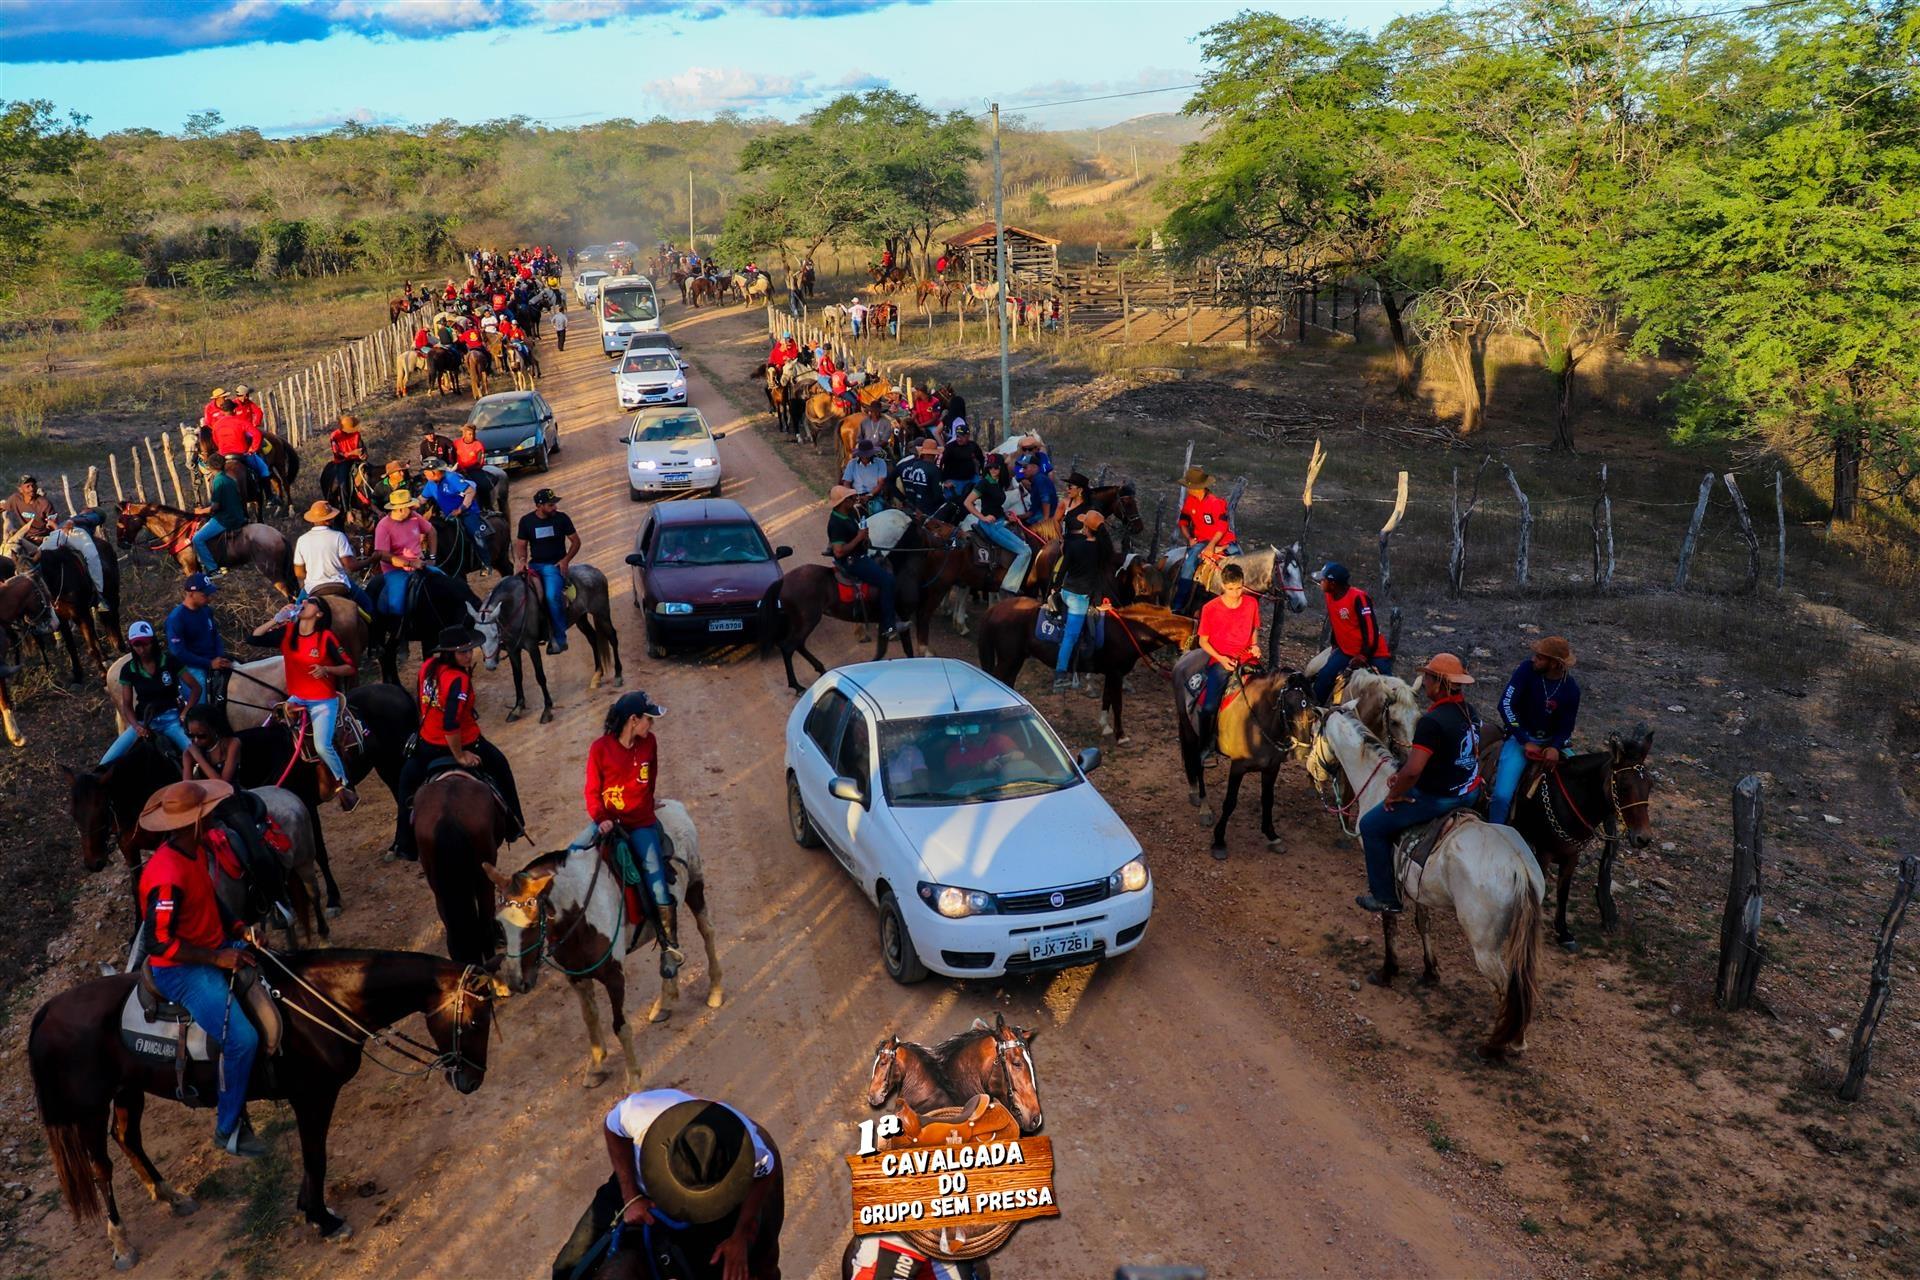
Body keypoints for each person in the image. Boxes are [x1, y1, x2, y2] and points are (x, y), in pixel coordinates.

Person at [135, 779, 267, 1158]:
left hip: (214, 944)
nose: (212, 818)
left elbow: (210, 900)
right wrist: (216, 958)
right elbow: (158, 942)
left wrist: (239, 930)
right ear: (193, 823)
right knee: (242, 1040)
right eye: (206, 814)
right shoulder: (166, 875)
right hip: (181, 969)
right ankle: (228, 1128)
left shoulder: (194, 851)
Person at [551, 1090, 782, 1280]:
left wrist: (740, 1235)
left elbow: (766, 1172)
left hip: (706, 1210)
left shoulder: (747, 1145)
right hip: (639, 1189)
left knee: (736, 1269)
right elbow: (612, 1129)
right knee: (563, 1271)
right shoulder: (642, 1113)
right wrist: (631, 1197)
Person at [1354, 654, 1482, 912]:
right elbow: (1444, 755)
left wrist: (1394, 793)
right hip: (1470, 791)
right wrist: (1403, 772)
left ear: (1440, 683)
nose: (1424, 684)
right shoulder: (1469, 711)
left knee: (1370, 826)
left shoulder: (1432, 721)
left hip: (1439, 798)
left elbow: (1413, 771)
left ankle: (1385, 897)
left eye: (1428, 678)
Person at [391, 626, 523, 860]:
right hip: (464, 742)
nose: (468, 655)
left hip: (426, 746)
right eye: (462, 652)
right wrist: (460, 755)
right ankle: (514, 824)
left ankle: (405, 844)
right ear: (449, 653)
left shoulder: (426, 668)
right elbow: (451, 724)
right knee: (500, 766)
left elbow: (421, 703)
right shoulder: (459, 680)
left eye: (469, 650)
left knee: (405, 783)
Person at [585, 691, 681, 961]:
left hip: (641, 824)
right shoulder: (599, 749)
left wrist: (648, 803)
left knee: (657, 882)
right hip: (607, 823)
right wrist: (601, 818)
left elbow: (651, 780)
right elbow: (592, 792)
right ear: (633, 720)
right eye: (648, 719)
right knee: (573, 855)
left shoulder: (650, 743)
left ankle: (670, 945)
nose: (652, 724)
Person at [253, 598, 358, 810]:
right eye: (304, 600)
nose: (303, 603)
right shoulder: (288, 632)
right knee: (267, 727)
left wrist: (327, 670)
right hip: (297, 697)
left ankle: (344, 783)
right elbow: (254, 638)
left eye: (310, 602)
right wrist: (276, 619)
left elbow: (350, 667)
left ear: (319, 614)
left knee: (322, 745)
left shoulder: (326, 637)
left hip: (322, 700)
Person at [1488, 636, 1582, 826]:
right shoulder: (1526, 670)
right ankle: (1494, 829)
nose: (1534, 659)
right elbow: (1505, 704)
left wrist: (1555, 746)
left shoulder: (1571, 689)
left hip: (1552, 742)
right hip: (1521, 737)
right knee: (1502, 796)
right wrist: (1524, 740)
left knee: (1579, 783)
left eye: (1540, 657)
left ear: (1554, 663)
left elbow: (1567, 725)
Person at [104, 621, 199, 763]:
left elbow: (196, 687)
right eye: (137, 645)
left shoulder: (169, 660)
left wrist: (185, 712)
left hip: (171, 720)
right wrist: (137, 727)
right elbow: (127, 706)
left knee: (196, 754)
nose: (142, 649)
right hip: (144, 721)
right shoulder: (128, 669)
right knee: (107, 760)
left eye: (145, 644)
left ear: (153, 642)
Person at [1194, 563, 1262, 760]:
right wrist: (1221, 659)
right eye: (1231, 589)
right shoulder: (1210, 608)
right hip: (1222, 660)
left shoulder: (1251, 603)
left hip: (1247, 658)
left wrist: (1255, 645)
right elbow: (1203, 641)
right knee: (1209, 706)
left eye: (1239, 588)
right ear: (1223, 586)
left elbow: (1254, 628)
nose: (1235, 593)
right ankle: (1205, 745)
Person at [828, 485, 904, 638]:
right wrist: (859, 538)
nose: (854, 500)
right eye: (851, 498)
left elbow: (858, 536)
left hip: (860, 554)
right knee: (887, 581)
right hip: (851, 561)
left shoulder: (850, 513)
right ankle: (888, 626)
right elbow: (839, 551)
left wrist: (865, 539)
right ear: (843, 502)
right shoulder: (835, 523)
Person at [1052, 490, 1110, 693]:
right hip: (1081, 598)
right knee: (1072, 635)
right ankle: (1060, 674)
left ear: (1086, 527)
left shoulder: (1074, 546)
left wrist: (1055, 587)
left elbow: (1063, 569)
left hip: (1067, 591)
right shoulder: (1101, 551)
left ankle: (1062, 674)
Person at [1312, 561, 1393, 705]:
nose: (1320, 583)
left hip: (1373, 652)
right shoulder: (1329, 596)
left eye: (1323, 580)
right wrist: (1335, 644)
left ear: (1333, 584)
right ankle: (1315, 709)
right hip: (1347, 651)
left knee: (1389, 687)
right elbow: (1337, 622)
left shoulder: (1358, 597)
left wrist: (1363, 655)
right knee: (1324, 676)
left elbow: (1370, 629)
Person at [516, 488, 579, 655]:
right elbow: (521, 544)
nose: (555, 508)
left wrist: (565, 560)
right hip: (534, 566)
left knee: (551, 596)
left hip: (554, 566)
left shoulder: (562, 518)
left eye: (555, 504)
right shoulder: (526, 521)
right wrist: (522, 561)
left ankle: (560, 638)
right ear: (539, 506)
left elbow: (576, 541)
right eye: (551, 505)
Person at [1171, 465, 1237, 613]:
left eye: (1188, 486)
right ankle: (1178, 604)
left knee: (1241, 564)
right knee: (1189, 565)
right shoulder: (1190, 501)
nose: (1187, 489)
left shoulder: (1216, 503)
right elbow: (1183, 522)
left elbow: (1222, 527)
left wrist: (1212, 546)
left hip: (1222, 540)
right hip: (1201, 540)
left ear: (1196, 488)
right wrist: (1189, 538)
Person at [965, 453, 1030, 595]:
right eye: (990, 467)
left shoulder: (998, 482)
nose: (993, 470)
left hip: (1001, 520)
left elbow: (994, 504)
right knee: (1025, 551)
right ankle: (1009, 586)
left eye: (996, 467)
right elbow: (968, 502)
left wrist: (1005, 514)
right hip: (992, 526)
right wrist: (982, 517)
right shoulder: (984, 483)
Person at [293, 501, 374, 616]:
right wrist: (371, 559)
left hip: (313, 588)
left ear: (313, 519)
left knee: (295, 614)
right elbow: (351, 566)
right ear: (329, 520)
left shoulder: (302, 540)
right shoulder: (339, 536)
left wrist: (315, 576)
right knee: (368, 606)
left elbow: (299, 573)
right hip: (340, 584)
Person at [373, 488, 436, 617]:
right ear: (401, 509)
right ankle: (397, 627)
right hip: (395, 570)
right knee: (397, 604)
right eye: (410, 507)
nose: (413, 508)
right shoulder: (383, 526)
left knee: (445, 581)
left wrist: (432, 557)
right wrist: (410, 564)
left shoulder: (414, 517)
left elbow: (432, 531)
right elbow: (383, 555)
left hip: (420, 564)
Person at [166, 573, 231, 698]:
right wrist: (209, 663)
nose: (209, 598)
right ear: (191, 594)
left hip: (214, 659)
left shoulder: (206, 610)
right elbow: (178, 653)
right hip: (193, 665)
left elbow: (215, 635)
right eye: (205, 595)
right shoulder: (176, 618)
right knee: (200, 695)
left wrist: (220, 656)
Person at [190, 461, 248, 578]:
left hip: (225, 518)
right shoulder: (229, 479)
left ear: (210, 467)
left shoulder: (217, 481)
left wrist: (200, 511)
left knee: (197, 538)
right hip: (237, 515)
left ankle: (213, 570)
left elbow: (215, 507)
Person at [419, 460, 488, 550]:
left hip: (467, 513)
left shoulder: (451, 478)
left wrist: (460, 509)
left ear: (433, 472)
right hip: (448, 516)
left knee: (476, 536)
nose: (424, 474)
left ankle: (484, 558)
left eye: (425, 472)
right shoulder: (430, 483)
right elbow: (422, 499)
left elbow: (471, 492)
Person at [182, 704, 241, 783]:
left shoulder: (232, 743)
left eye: (201, 736)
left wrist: (198, 757)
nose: (196, 740)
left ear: (214, 729)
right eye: (191, 735)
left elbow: (223, 784)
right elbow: (187, 785)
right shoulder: (189, 753)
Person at [0, 473, 55, 557]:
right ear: (20, 489)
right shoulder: (15, 499)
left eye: (33, 485)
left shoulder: (44, 504)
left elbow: (53, 525)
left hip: (42, 538)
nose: (31, 488)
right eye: (28, 486)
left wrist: (43, 538)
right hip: (25, 536)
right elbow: (4, 506)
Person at [322, 413, 368, 503]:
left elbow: (362, 447)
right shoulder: (335, 436)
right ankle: (346, 508)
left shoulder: (356, 434)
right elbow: (337, 453)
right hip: (342, 461)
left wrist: (364, 454)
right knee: (342, 484)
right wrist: (352, 453)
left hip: (357, 460)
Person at [451, 423, 496, 512]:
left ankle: (487, 507)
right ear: (464, 434)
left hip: (474, 470)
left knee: (483, 485)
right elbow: (452, 458)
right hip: (458, 470)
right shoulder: (456, 443)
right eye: (470, 434)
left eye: (473, 434)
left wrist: (468, 468)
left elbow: (479, 462)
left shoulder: (478, 445)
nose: (472, 436)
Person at [893, 438, 943, 516]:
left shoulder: (916, 465)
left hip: (917, 504)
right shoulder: (934, 469)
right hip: (930, 507)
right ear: (933, 454)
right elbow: (937, 494)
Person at [938, 422, 984, 502]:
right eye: (957, 436)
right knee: (955, 501)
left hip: (971, 477)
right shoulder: (950, 447)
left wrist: (982, 474)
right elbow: (941, 463)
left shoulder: (973, 445)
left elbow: (981, 459)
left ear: (968, 436)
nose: (959, 439)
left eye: (962, 436)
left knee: (983, 489)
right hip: (955, 480)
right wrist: (944, 480)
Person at [840, 441, 890, 513]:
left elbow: (880, 483)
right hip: (856, 496)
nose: (865, 457)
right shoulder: (852, 463)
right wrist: (851, 495)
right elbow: (846, 483)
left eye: (867, 455)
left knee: (877, 509)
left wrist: (870, 495)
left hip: (874, 495)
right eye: (863, 455)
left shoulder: (880, 462)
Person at [1020, 453, 1060, 541]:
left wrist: (1045, 519)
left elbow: (1045, 498)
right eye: (1022, 468)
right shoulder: (1036, 481)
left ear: (1035, 467)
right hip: (1038, 516)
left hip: (1044, 520)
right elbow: (1033, 510)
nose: (1022, 471)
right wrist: (1018, 517)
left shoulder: (1040, 479)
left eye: (1025, 467)